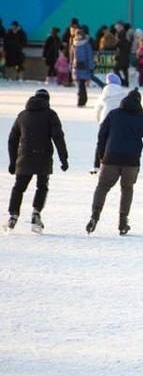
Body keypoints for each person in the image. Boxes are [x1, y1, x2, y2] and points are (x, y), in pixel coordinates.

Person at [88, 91, 143, 236]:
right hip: (131, 161)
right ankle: (123, 222)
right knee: (127, 190)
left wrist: (100, 158)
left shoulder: (113, 115)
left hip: (111, 158)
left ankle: (94, 215)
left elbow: (101, 137)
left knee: (102, 187)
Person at [6, 89, 67, 233]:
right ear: (47, 100)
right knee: (42, 186)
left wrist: (12, 161)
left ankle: (13, 216)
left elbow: (12, 140)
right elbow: (58, 137)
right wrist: (63, 159)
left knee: (19, 187)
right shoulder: (50, 115)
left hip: (24, 157)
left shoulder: (22, 115)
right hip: (43, 157)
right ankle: (36, 214)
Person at [72, 29, 96, 107]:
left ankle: (81, 100)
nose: (78, 36)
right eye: (77, 34)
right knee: (80, 84)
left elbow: (89, 57)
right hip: (77, 67)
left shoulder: (86, 45)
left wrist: (91, 67)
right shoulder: (74, 44)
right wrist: (71, 65)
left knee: (81, 84)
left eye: (80, 35)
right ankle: (82, 99)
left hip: (84, 67)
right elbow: (72, 56)